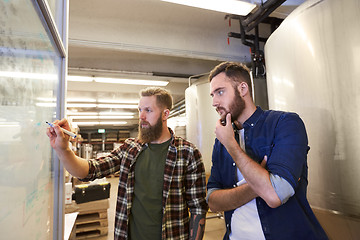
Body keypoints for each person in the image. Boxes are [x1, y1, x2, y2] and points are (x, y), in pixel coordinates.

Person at [47, 87, 208, 240]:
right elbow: (90, 170)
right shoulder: (130, 148)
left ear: (165, 114)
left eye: (148, 110)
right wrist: (63, 149)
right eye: (140, 110)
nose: (141, 116)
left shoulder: (188, 153)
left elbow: (198, 209)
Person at [206, 62, 328, 240]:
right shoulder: (221, 141)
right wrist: (259, 184)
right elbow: (213, 201)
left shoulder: (284, 123)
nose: (214, 102)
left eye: (220, 92)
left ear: (242, 88)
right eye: (212, 95)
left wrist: (231, 145)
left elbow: (275, 195)